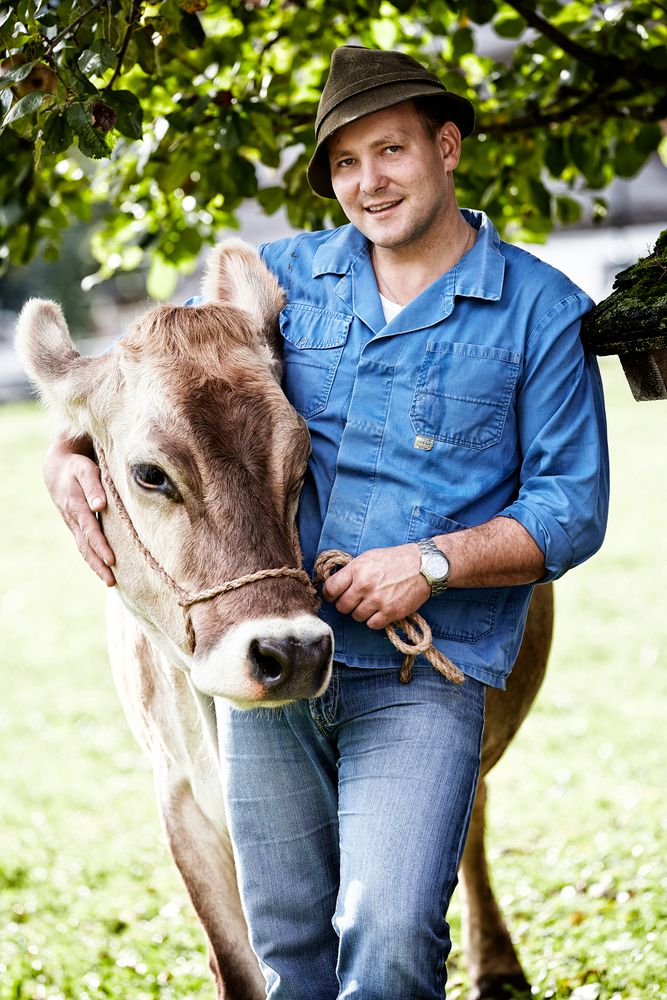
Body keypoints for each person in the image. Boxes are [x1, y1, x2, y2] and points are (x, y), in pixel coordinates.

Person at [44, 45, 609, 1000]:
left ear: (447, 146)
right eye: (345, 163)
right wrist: (65, 454)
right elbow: (152, 381)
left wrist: (429, 564)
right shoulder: (278, 280)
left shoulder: (540, 310)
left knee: (388, 935)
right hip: (279, 664)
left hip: (422, 673)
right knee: (288, 951)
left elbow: (571, 508)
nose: (367, 182)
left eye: (389, 151)